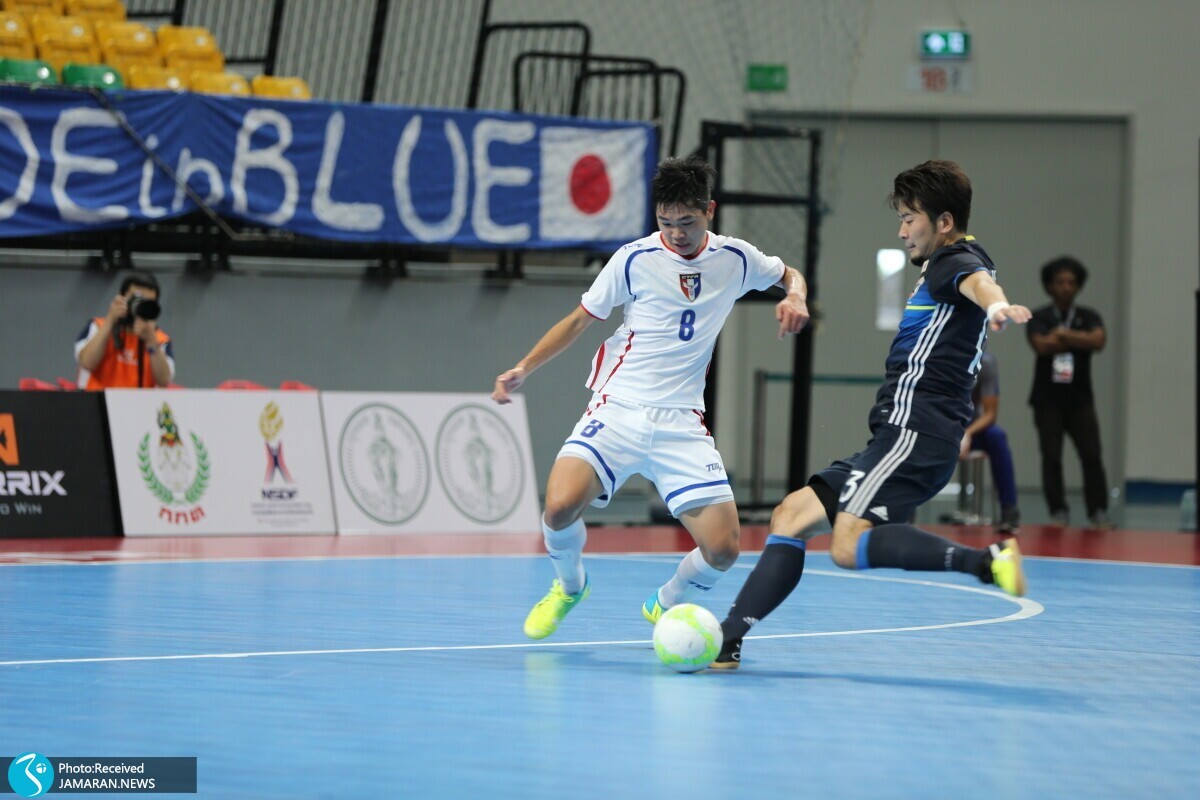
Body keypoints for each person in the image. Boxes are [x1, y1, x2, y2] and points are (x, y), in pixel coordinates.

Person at [712, 159, 1031, 670]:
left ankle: (986, 562)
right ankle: (728, 639)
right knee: (791, 515)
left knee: (846, 545)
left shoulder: (955, 261)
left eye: (910, 218)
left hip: (914, 434)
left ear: (944, 222)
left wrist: (997, 307)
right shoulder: (945, 265)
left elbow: (978, 284)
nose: (902, 230)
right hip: (897, 437)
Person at [492, 156, 810, 640]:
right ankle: (570, 586)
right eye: (666, 222)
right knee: (558, 507)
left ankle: (666, 602)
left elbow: (789, 274)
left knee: (724, 549)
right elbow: (579, 320)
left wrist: (796, 295)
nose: (676, 233)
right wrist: (523, 367)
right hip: (619, 407)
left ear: (709, 211)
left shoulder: (736, 258)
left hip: (681, 421)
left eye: (687, 222)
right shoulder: (633, 259)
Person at [1026, 256, 1111, 529]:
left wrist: (1063, 335)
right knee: (1051, 457)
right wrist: (1078, 339)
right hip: (1047, 400)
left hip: (1080, 399)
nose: (1065, 287)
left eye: (1071, 282)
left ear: (1078, 286)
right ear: (1050, 286)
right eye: (1060, 282)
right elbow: (1041, 344)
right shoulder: (1039, 316)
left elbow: (1098, 340)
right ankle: (1058, 511)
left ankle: (1098, 511)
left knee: (1092, 455)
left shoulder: (1089, 316)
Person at [75, 272, 174, 390]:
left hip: (138, 401)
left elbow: (163, 381)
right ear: (122, 298)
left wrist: (151, 340)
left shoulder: (160, 339)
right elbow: (87, 363)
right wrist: (110, 321)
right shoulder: (97, 326)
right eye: (136, 299)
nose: (139, 306)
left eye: (147, 303)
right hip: (97, 398)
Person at [961, 351, 1021, 532]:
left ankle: (1009, 510)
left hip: (970, 429)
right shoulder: (936, 357)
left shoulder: (984, 363)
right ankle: (905, 512)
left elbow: (990, 414)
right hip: (939, 427)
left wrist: (967, 433)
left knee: (996, 436)